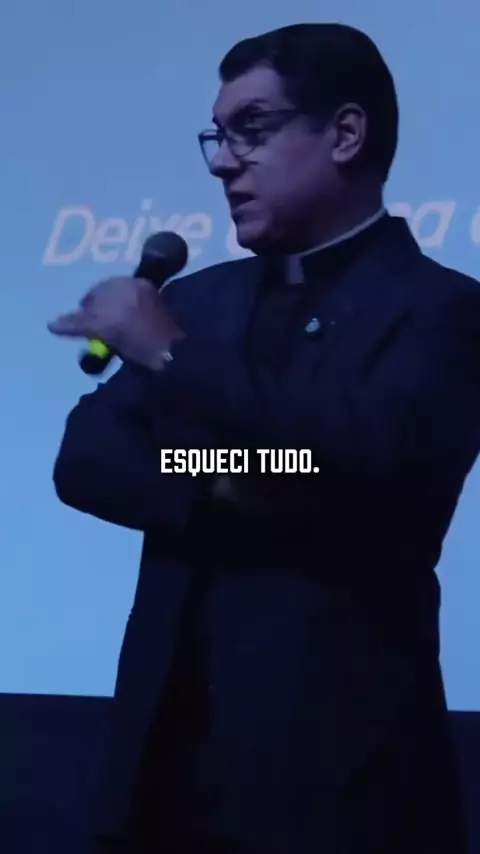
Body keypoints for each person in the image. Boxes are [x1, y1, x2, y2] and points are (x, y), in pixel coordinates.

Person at [50, 22, 480, 854]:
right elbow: (87, 457)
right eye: (217, 136)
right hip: (160, 775)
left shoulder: (442, 309)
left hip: (338, 787)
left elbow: (358, 458)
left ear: (345, 134)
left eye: (251, 128)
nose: (222, 162)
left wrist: (170, 356)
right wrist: (223, 483)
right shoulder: (200, 298)